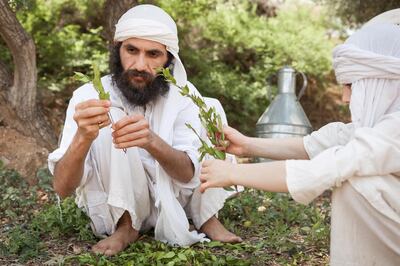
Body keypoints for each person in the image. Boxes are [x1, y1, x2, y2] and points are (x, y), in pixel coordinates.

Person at [48, 4, 241, 256]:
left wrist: (151, 141)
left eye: (153, 54)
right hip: (113, 205)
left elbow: (186, 174)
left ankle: (205, 216)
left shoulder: (184, 96)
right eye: (131, 50)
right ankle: (126, 225)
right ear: (118, 51)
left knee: (210, 107)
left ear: (168, 59)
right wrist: (83, 138)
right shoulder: (88, 97)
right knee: (109, 120)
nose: (140, 65)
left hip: (174, 199)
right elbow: (63, 188)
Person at [200, 23, 400, 265]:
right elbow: (317, 145)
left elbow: (327, 168)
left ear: (383, 82)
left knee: (357, 180)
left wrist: (233, 172)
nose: (345, 98)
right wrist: (247, 146)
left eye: (351, 85)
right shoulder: (380, 127)